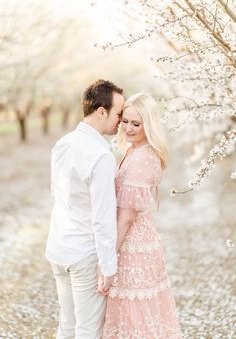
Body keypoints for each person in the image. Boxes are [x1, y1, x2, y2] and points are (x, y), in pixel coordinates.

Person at [45, 79, 124, 339]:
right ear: (102, 111)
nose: (121, 121)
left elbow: (58, 195)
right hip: (85, 254)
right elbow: (103, 218)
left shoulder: (63, 143)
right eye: (119, 113)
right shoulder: (101, 156)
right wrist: (108, 266)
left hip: (59, 247)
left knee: (66, 326)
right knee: (89, 330)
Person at [103, 93, 182, 338]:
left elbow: (126, 217)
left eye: (135, 124)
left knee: (136, 317)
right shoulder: (134, 150)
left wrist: (108, 255)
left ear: (148, 125)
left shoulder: (143, 157)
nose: (127, 128)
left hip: (133, 246)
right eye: (125, 121)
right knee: (131, 316)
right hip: (137, 241)